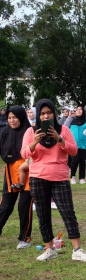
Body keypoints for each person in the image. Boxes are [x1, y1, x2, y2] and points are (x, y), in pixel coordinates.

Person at [21, 99, 86, 262]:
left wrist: (59, 139)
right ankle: (49, 248)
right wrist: (34, 143)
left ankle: (77, 249)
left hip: (59, 176)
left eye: (49, 113)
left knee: (68, 212)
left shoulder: (64, 130)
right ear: (39, 115)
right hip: (38, 177)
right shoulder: (31, 132)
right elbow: (24, 153)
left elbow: (74, 151)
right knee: (43, 213)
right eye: (43, 113)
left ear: (54, 113)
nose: (46, 116)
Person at [0, 106, 33, 249]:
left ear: (21, 117)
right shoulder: (4, 132)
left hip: (29, 171)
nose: (12, 120)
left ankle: (25, 238)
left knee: (23, 207)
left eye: (15, 117)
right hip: (11, 172)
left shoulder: (30, 131)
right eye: (9, 117)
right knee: (5, 206)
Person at [66, 105, 86, 185]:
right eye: (77, 109)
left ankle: (82, 178)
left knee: (82, 161)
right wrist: (70, 117)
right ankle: (73, 176)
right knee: (75, 160)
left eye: (80, 109)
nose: (78, 111)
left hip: (84, 145)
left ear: (83, 111)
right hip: (73, 145)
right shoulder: (72, 121)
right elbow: (65, 127)